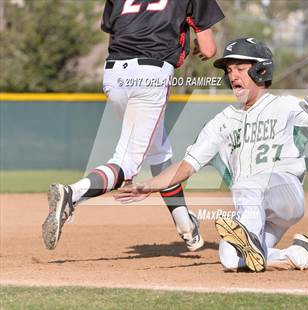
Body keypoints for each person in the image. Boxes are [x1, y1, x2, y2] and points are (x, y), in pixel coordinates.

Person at [114, 38, 308, 272]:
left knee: (250, 183)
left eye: (241, 68)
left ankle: (250, 239)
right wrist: (148, 186)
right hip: (254, 207)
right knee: (230, 260)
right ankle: (302, 255)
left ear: (260, 71)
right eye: (229, 70)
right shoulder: (222, 122)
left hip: (285, 192)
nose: (233, 76)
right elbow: (187, 166)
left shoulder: (286, 106)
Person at [42, 0, 224, 251]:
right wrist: (198, 46)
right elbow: (209, 48)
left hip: (114, 74)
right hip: (151, 74)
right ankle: (72, 193)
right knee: (127, 163)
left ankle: (186, 226)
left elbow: (112, 39)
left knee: (158, 150)